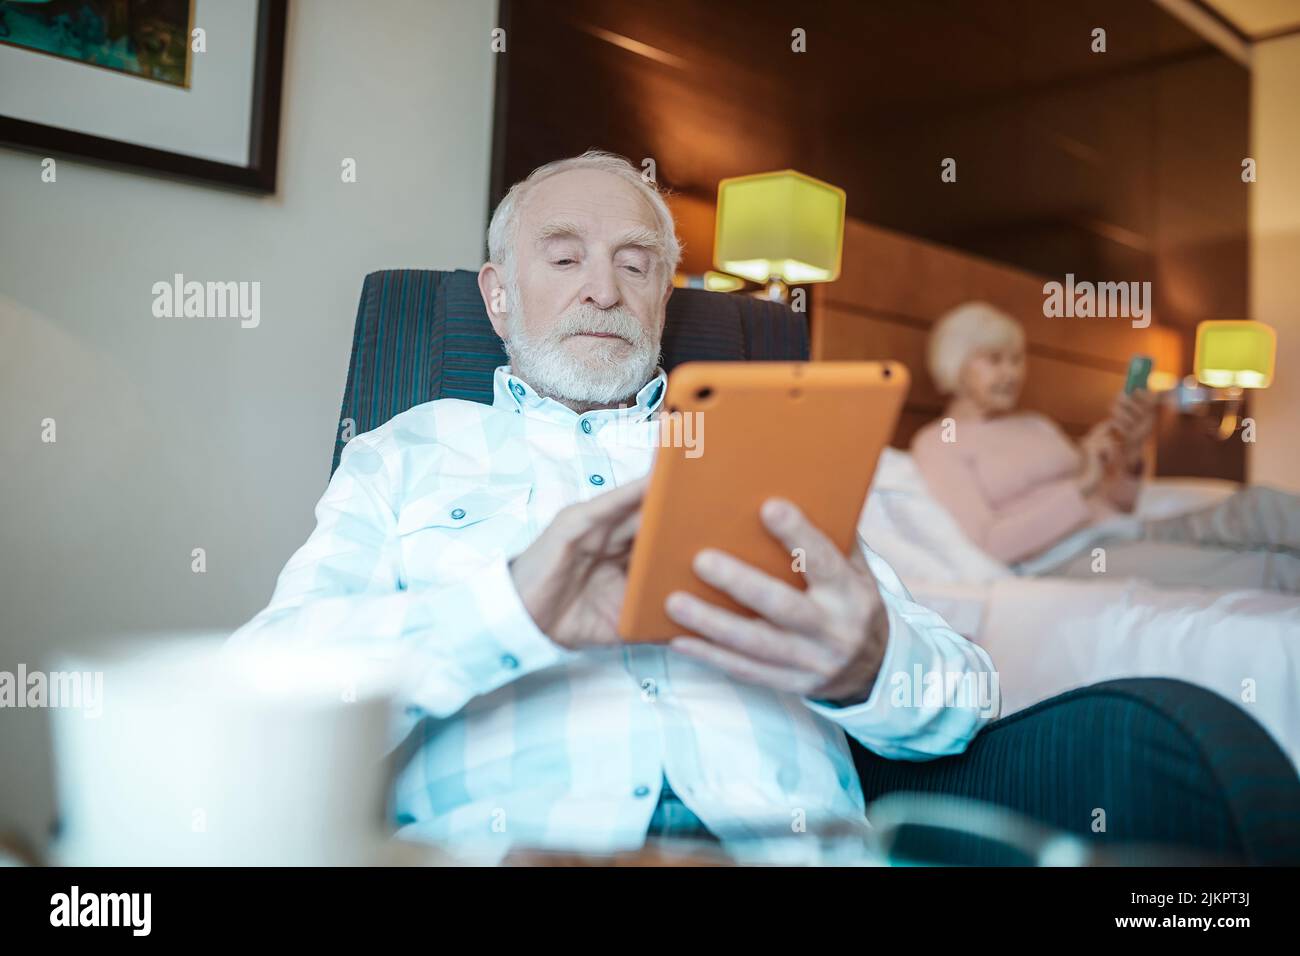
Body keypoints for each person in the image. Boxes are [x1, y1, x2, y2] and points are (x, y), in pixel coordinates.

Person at [230, 153, 1299, 864]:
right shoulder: (405, 456)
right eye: (563, 257)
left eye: (635, 262)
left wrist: (866, 667)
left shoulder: (774, 448)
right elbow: (261, 706)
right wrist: (507, 613)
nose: (602, 287)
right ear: (497, 296)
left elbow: (962, 690)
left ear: (663, 298)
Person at [911, 301, 1300, 592]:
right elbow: (991, 544)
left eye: (1016, 359)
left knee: (1259, 506)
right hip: (1067, 557)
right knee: (1258, 567)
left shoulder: (1036, 424)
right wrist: (1080, 484)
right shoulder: (938, 443)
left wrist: (1131, 447)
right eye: (994, 360)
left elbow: (1118, 504)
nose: (1012, 373)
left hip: (1121, 529)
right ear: (955, 361)